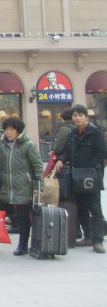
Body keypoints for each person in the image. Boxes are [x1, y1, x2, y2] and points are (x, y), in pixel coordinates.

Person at [0, 116, 44, 255]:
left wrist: (38, 188)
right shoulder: (4, 146)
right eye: (6, 129)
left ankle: (22, 246)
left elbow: (38, 167)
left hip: (23, 187)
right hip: (6, 187)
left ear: (18, 131)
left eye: (12, 129)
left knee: (23, 218)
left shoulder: (28, 146)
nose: (8, 132)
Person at [54, 104, 107, 254]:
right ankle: (88, 235)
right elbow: (67, 152)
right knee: (81, 207)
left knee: (95, 208)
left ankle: (97, 240)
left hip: (91, 176)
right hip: (76, 176)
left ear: (86, 117)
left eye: (80, 115)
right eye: (75, 116)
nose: (77, 118)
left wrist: (92, 168)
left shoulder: (95, 133)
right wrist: (61, 159)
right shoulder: (72, 134)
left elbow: (102, 153)